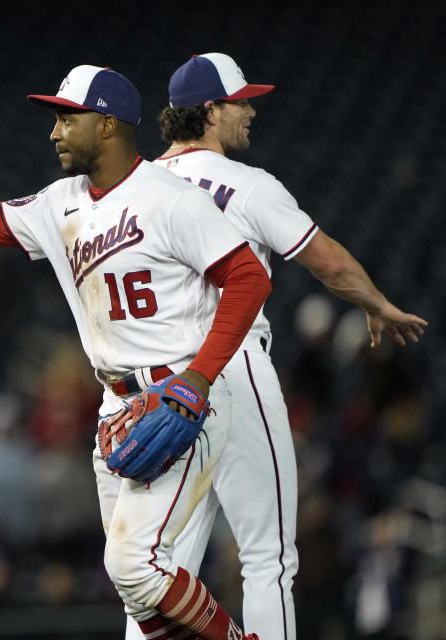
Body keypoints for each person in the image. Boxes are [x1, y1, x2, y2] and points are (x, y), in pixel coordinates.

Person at [0, 65, 271, 639]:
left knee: (133, 566)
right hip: (117, 405)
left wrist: (200, 378)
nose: (54, 131)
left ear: (108, 124)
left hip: (181, 398)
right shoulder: (59, 202)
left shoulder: (170, 198)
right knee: (136, 594)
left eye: (68, 118)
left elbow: (248, 279)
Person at [119, 52, 428, 640]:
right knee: (268, 555)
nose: (250, 110)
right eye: (240, 101)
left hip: (158, 382)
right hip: (229, 364)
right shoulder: (245, 184)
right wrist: (376, 304)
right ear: (210, 111)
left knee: (161, 564)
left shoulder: (134, 188)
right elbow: (328, 261)